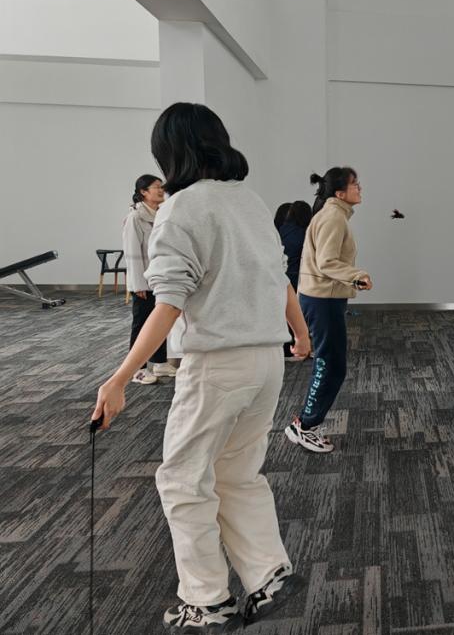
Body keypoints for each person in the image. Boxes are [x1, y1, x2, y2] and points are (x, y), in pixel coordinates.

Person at [91, 102, 310, 631]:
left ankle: (207, 600)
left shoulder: (182, 208)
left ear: (169, 151)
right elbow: (279, 277)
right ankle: (268, 574)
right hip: (267, 360)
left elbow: (168, 302)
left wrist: (120, 377)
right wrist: (301, 333)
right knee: (237, 472)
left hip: (218, 365)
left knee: (183, 482)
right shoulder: (250, 201)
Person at [286, 167, 371, 453]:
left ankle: (307, 422)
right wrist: (357, 275)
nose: (359, 188)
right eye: (354, 184)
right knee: (330, 364)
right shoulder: (333, 217)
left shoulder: (333, 214)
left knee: (331, 363)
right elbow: (327, 262)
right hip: (322, 300)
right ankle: (305, 426)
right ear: (340, 193)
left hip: (323, 298)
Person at [122, 174, 176, 384]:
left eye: (162, 187)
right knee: (141, 324)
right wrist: (138, 284)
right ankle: (138, 369)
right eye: (156, 187)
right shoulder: (135, 217)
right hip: (143, 281)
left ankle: (160, 362)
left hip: (159, 277)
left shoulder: (161, 213)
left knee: (159, 322)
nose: (161, 190)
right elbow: (132, 253)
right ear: (143, 192)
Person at [279, 200, 312, 359]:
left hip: (282, 275)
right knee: (298, 314)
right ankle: (299, 346)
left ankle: (286, 348)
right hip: (297, 277)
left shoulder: (282, 230)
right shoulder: (304, 234)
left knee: (285, 314)